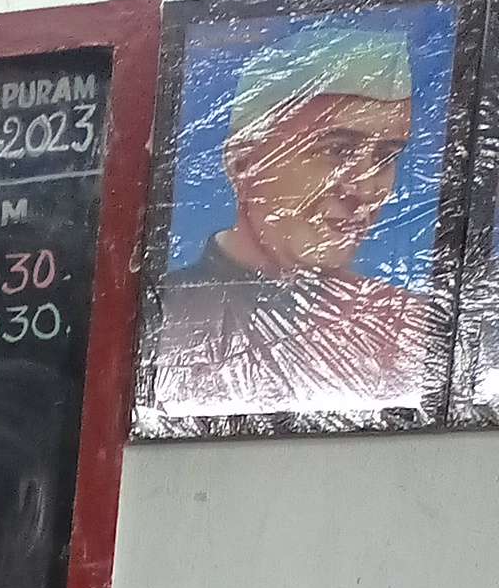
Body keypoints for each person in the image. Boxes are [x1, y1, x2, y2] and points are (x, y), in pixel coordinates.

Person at [147, 21, 435, 419]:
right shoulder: (160, 316)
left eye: (385, 157)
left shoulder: (406, 328)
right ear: (244, 163)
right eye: (337, 150)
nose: (365, 189)